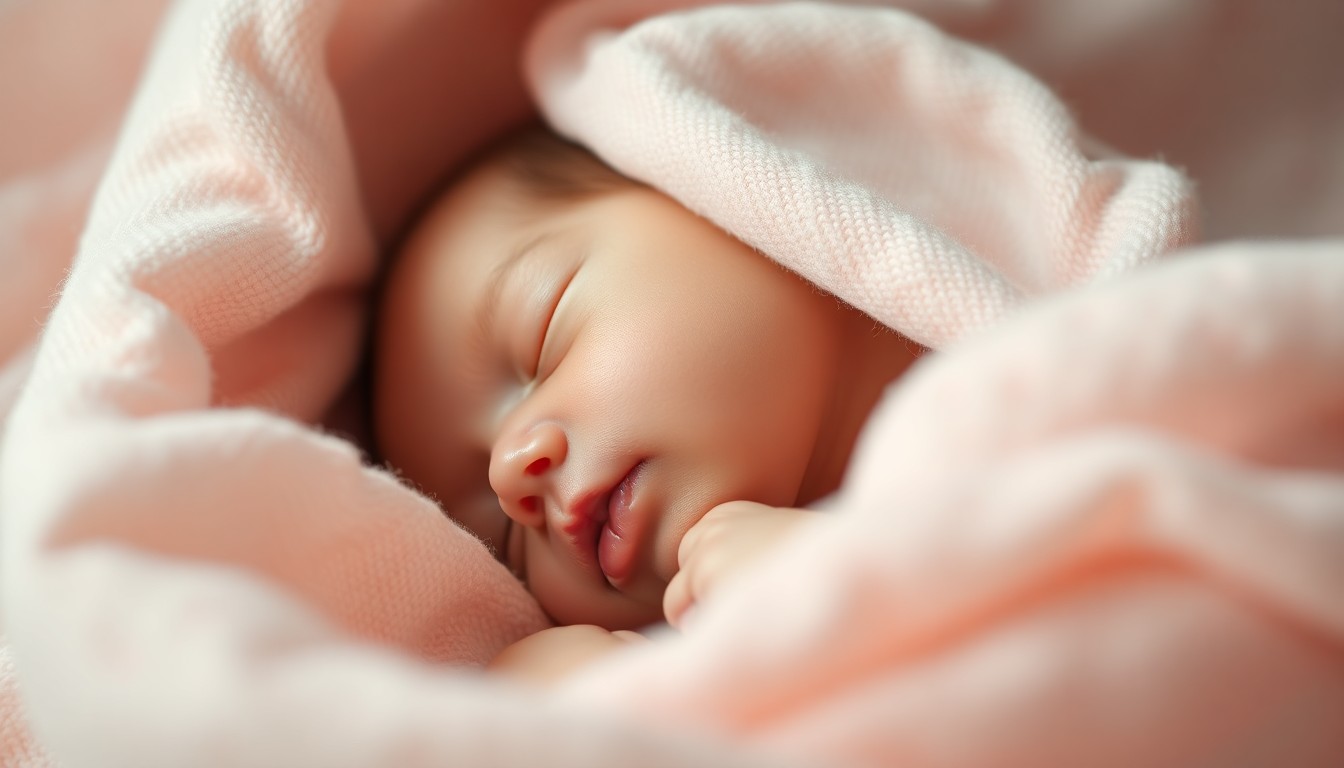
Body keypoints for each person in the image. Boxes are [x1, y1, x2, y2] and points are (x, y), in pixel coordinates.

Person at [372, 125, 922, 680]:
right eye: (508, 545)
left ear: (710, 194)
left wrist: (855, 581)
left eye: (540, 342)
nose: (509, 474)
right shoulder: (681, 670)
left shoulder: (978, 396)